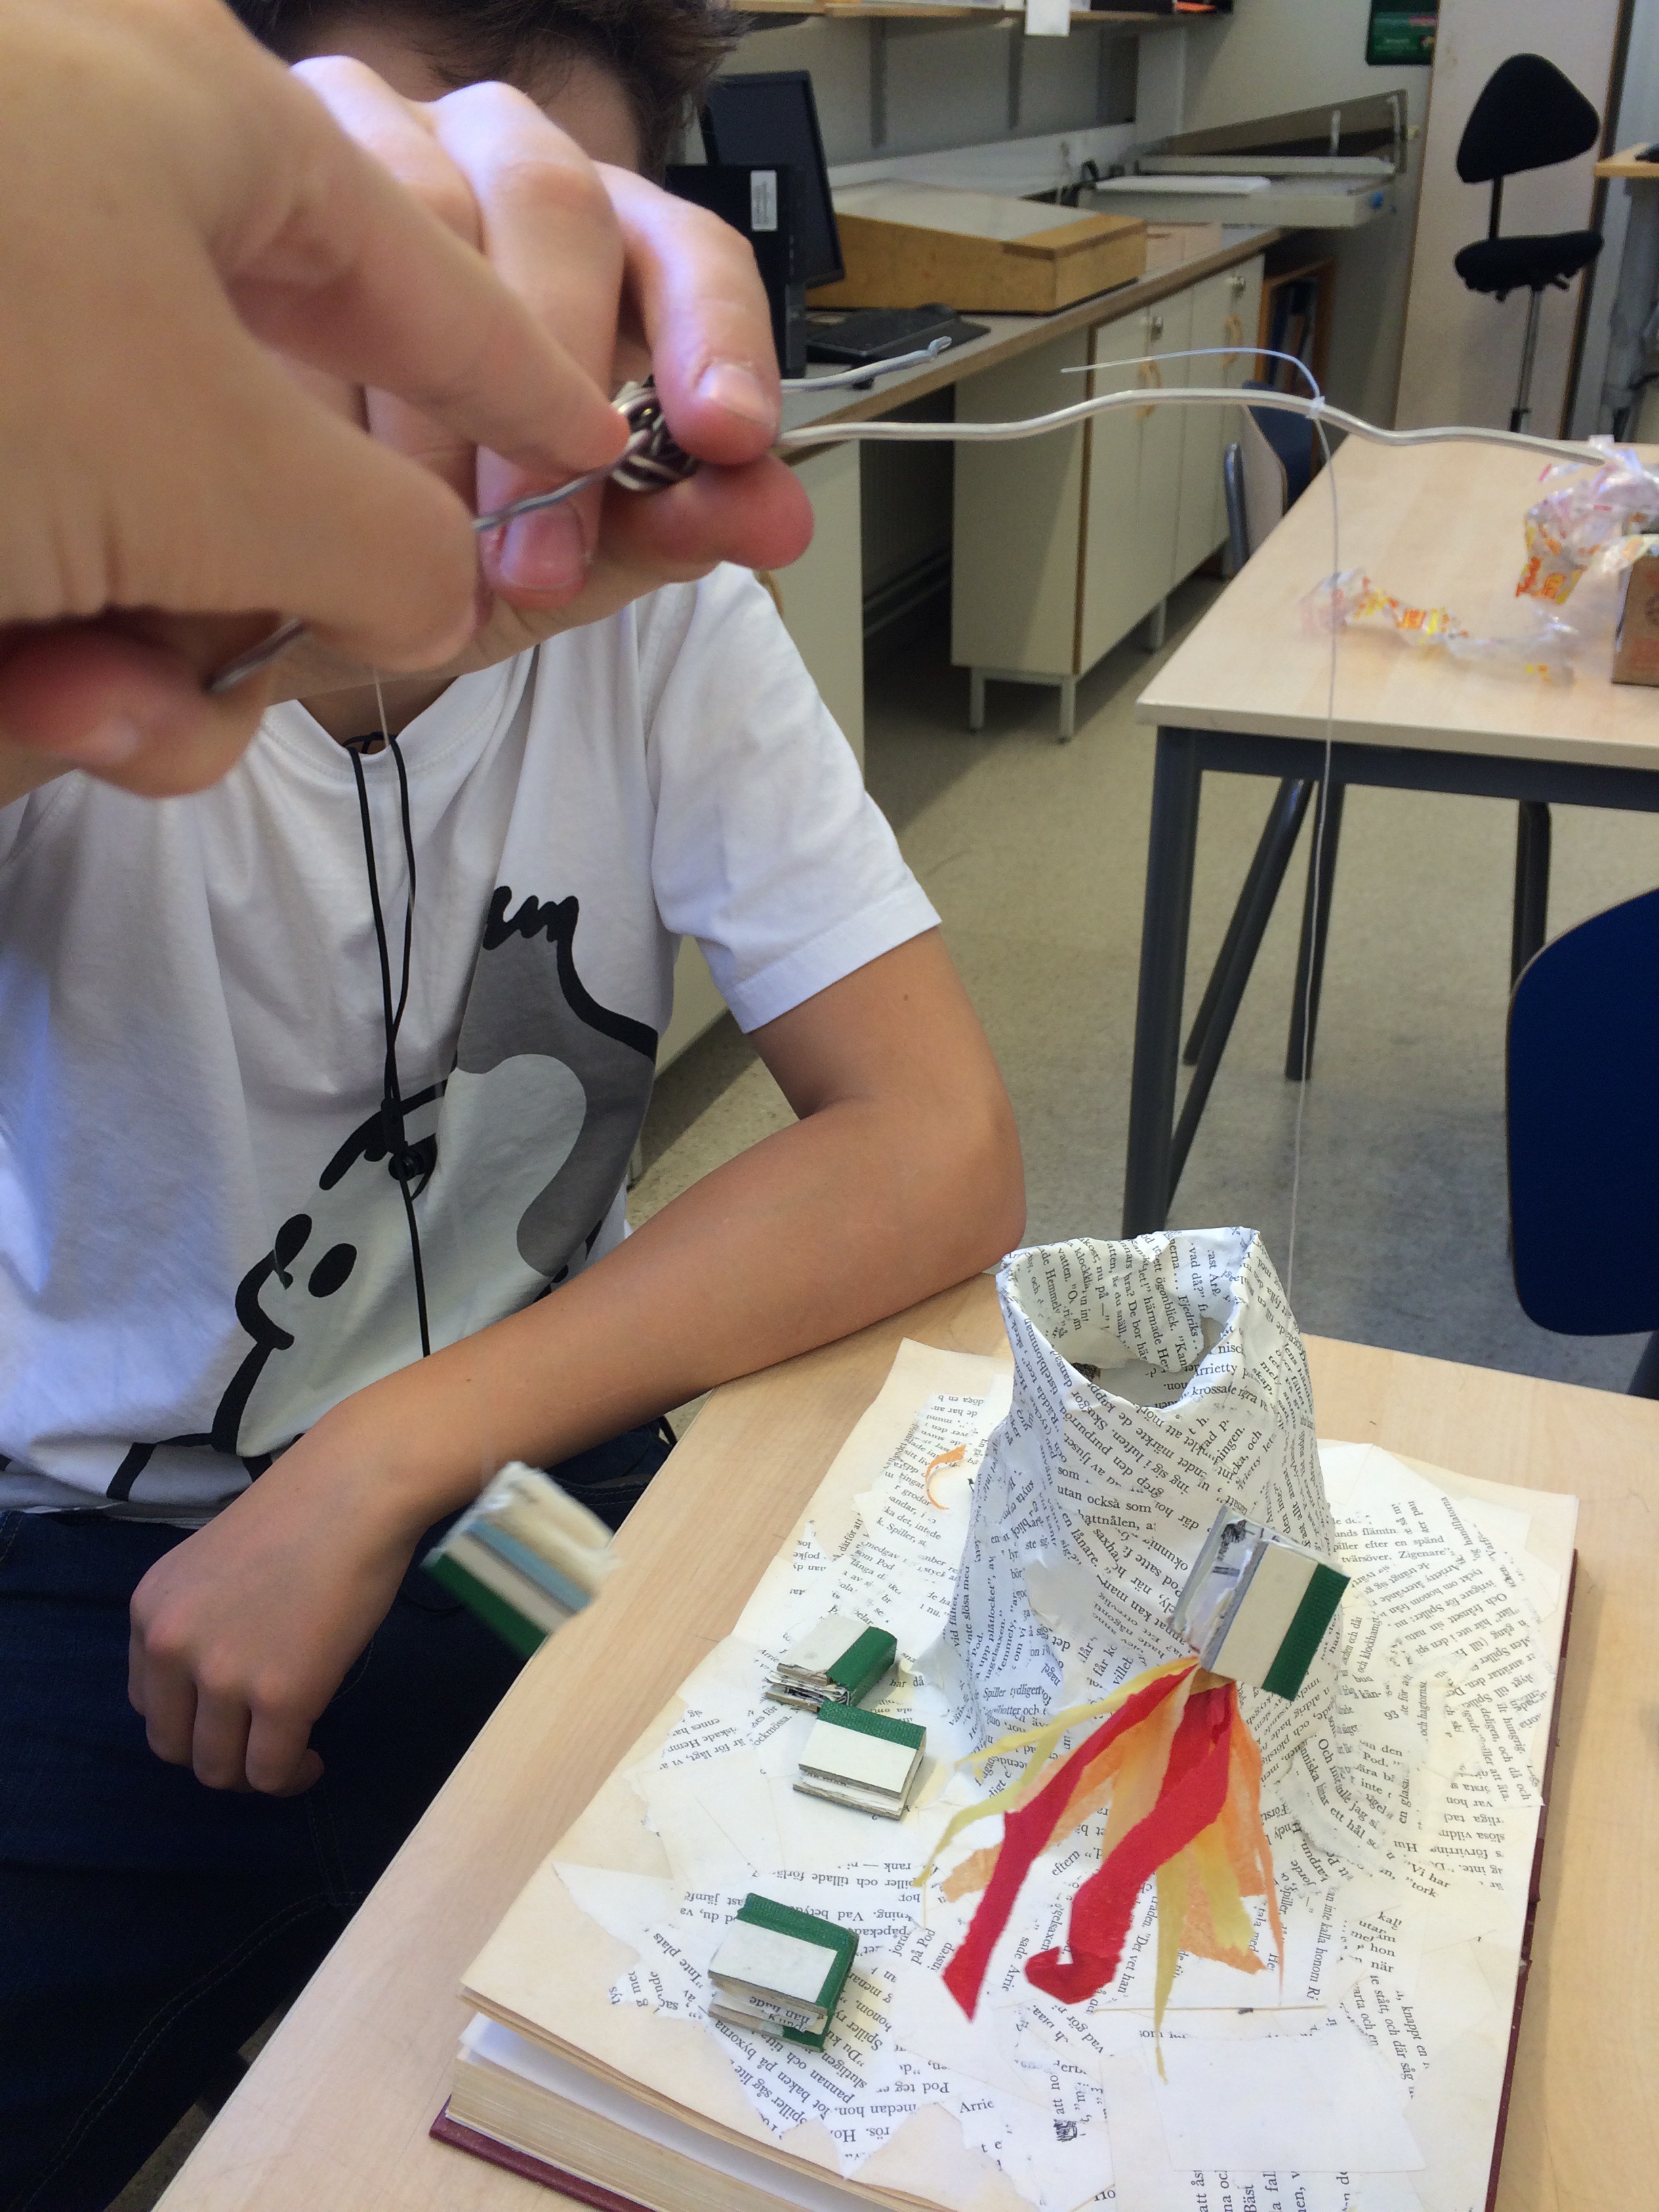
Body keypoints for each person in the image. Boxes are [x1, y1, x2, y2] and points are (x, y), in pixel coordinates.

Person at [0, 3, 1025, 2205]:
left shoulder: (641, 602)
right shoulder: (82, 596)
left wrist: (385, 1450)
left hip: (530, 1474)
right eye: (378, 272)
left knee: (819, 2037)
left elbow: (931, 1134)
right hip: (88, 1560)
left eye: (545, 297)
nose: (451, 392)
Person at [0, 0, 806, 802]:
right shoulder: (68, 581)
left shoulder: (669, 605)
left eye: (561, 255)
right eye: (371, 262)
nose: (458, 384)